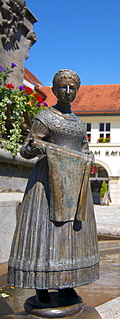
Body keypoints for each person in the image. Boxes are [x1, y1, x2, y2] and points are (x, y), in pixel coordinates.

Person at [8, 69, 99, 305]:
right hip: (46, 184)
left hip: (74, 184)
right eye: (63, 87)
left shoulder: (78, 124)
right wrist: (34, 148)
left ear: (77, 91)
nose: (67, 92)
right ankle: (41, 288)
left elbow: (85, 149)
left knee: (70, 235)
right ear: (54, 89)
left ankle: (67, 284)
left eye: (72, 88)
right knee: (46, 233)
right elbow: (26, 149)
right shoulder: (45, 117)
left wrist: (89, 158)